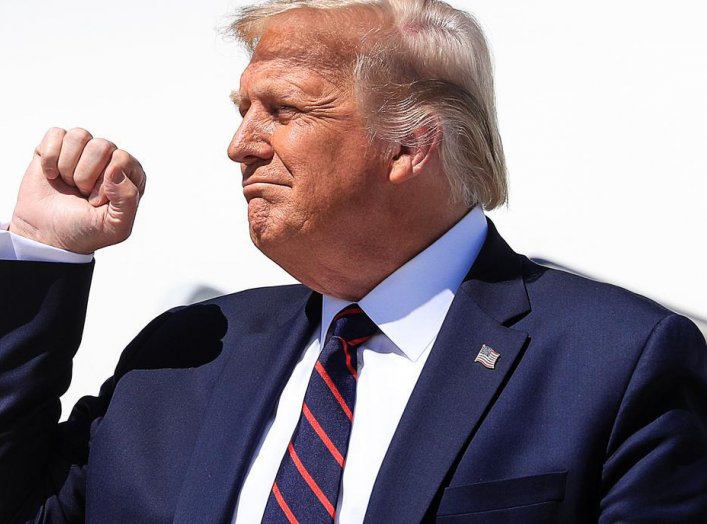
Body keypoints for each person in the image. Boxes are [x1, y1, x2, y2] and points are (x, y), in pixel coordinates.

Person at [1, 0, 705, 522]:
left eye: (282, 109)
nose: (239, 144)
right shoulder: (184, 353)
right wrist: (43, 251)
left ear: (408, 146)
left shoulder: (615, 362)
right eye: (241, 109)